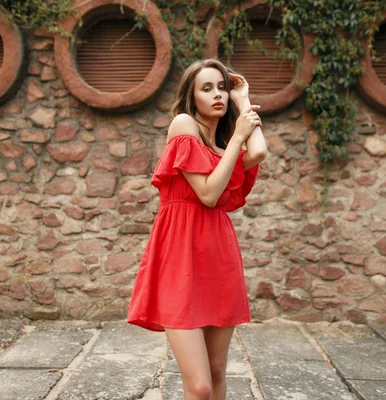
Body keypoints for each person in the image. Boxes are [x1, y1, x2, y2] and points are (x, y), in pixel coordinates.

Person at [127, 58, 267, 400]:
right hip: (179, 254)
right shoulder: (183, 125)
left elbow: (260, 150)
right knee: (200, 386)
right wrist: (238, 139)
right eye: (207, 89)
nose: (218, 94)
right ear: (192, 97)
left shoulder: (222, 146)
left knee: (218, 371)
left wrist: (244, 100)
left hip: (218, 256)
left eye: (222, 87)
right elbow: (206, 194)